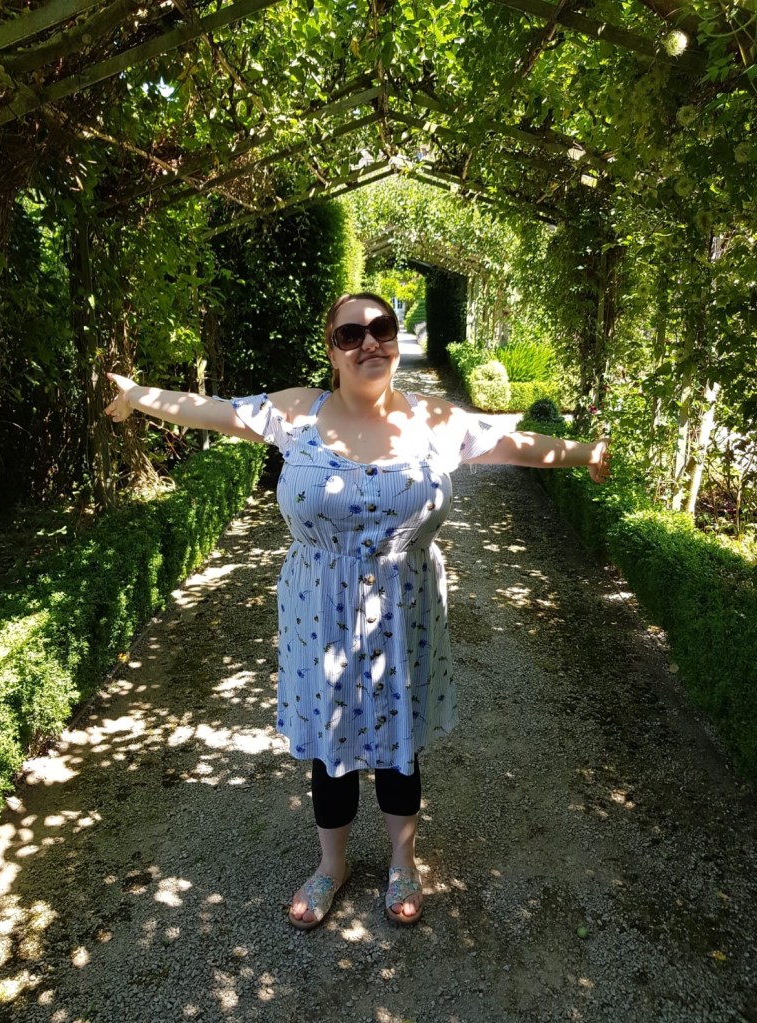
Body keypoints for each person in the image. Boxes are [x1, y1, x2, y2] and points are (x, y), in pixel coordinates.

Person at [105, 292, 611, 930]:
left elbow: (511, 443)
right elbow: (212, 411)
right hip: (319, 614)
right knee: (331, 744)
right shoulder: (298, 411)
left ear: (394, 339)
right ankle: (331, 866)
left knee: (401, 748)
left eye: (382, 328)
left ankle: (404, 863)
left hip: (406, 612)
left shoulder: (432, 420)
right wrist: (138, 395)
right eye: (351, 333)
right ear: (332, 350)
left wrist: (584, 453)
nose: (370, 341)